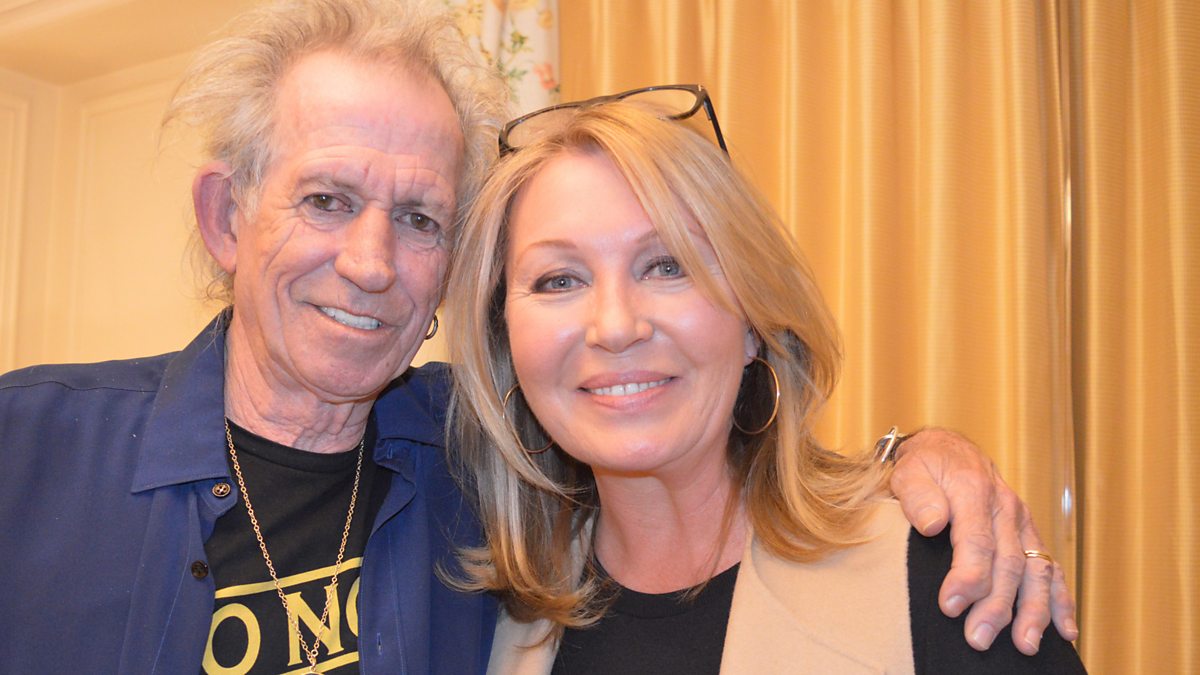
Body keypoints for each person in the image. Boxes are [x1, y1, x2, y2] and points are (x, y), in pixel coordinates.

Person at [0, 1, 1070, 672]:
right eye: (326, 199)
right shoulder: (26, 455)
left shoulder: (474, 471)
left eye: (420, 218)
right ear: (227, 218)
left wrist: (923, 460)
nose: (370, 261)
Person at [444, 89, 1085, 672]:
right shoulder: (477, 617)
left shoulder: (949, 582)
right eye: (559, 280)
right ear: (505, 341)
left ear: (753, 319)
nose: (615, 326)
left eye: (667, 265)